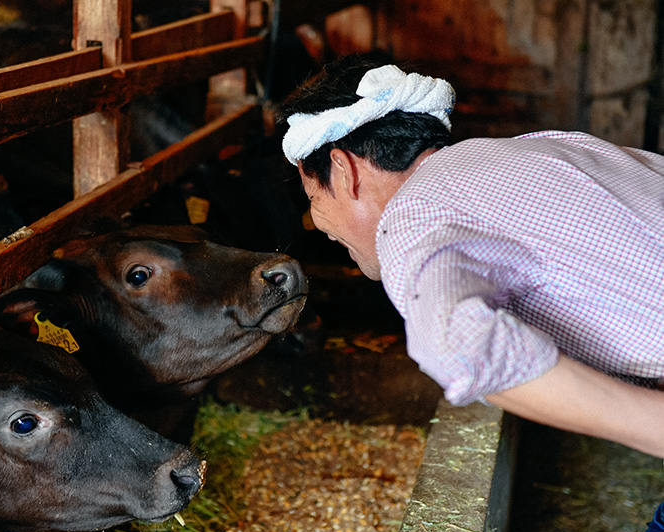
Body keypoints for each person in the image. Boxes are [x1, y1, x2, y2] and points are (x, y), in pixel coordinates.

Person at [278, 52, 664, 459]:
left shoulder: (413, 214)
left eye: (313, 196)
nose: (318, 223)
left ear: (344, 171)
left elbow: (459, 345)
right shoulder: (533, 149)